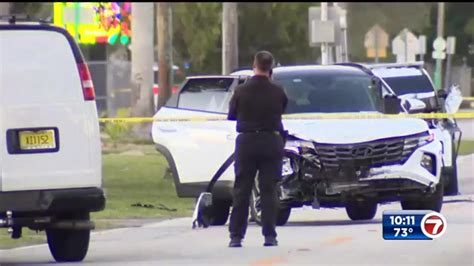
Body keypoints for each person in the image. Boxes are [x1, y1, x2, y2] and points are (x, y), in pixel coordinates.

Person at [227, 51, 288, 248]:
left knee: (242, 189)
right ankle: (269, 235)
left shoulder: (241, 90)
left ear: (254, 64)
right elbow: (282, 110)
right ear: (271, 68)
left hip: (247, 141)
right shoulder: (278, 91)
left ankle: (236, 236)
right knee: (269, 190)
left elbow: (232, 115)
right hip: (271, 141)